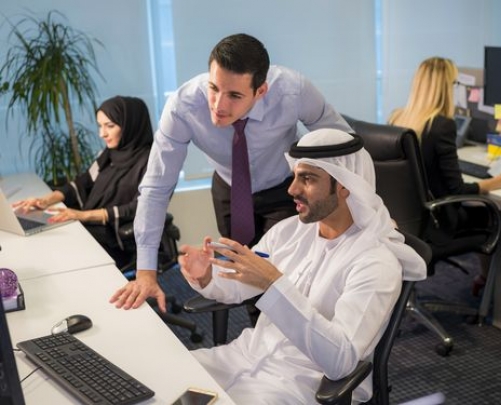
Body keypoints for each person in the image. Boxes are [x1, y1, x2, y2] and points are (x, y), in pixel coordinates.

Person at [174, 128, 426, 404]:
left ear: (345, 186)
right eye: (295, 176)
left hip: (299, 383)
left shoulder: (375, 262)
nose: (292, 189)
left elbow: (340, 360)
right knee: (162, 374)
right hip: (244, 355)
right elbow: (244, 280)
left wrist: (274, 285)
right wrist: (208, 276)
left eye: (307, 179)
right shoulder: (287, 231)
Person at [110, 33, 352, 313]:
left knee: (281, 277)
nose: (218, 105)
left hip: (283, 187)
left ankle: (287, 336)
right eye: (214, 88)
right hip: (229, 189)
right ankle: (259, 334)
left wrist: (366, 210)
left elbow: (345, 144)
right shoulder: (183, 106)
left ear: (261, 91)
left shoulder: (292, 91)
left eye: (235, 95)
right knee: (242, 278)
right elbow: (156, 187)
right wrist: (145, 272)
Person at [387, 56, 501, 293]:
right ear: (447, 87)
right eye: (455, 83)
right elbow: (457, 190)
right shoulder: (442, 126)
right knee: (490, 214)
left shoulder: (397, 118)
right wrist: (500, 181)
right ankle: (486, 282)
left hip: (405, 221)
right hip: (438, 225)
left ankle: (483, 280)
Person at [13, 96, 154, 269]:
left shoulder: (151, 164)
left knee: (57, 254)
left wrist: (83, 215)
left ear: (130, 125)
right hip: (93, 228)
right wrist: (46, 200)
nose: (102, 134)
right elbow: (84, 181)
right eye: (100, 126)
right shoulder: (109, 154)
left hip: (116, 240)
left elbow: (140, 208)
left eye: (110, 126)